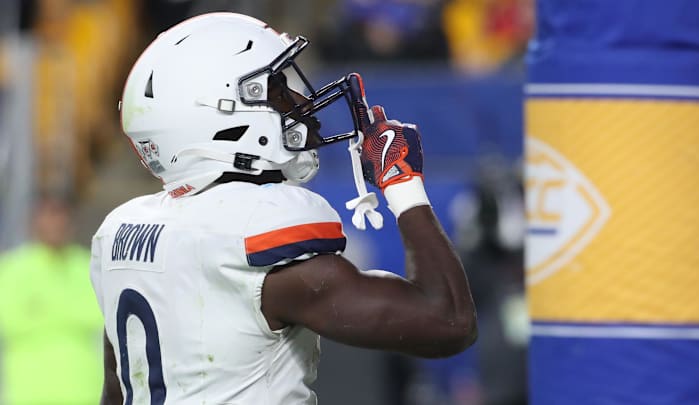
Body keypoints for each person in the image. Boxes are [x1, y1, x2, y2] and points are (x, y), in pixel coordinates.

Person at [90, 13, 477, 404]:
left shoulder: (121, 229)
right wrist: (403, 184)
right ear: (220, 113)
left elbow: (118, 391)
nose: (300, 101)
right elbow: (448, 321)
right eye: (273, 89)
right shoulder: (252, 230)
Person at [0, 194, 103, 404]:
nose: (56, 224)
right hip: (27, 394)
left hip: (84, 393)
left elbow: (101, 319)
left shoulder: (90, 266)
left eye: (61, 216)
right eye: (49, 216)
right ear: (34, 222)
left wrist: (41, 308)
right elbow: (9, 321)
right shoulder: (11, 268)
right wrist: (71, 312)